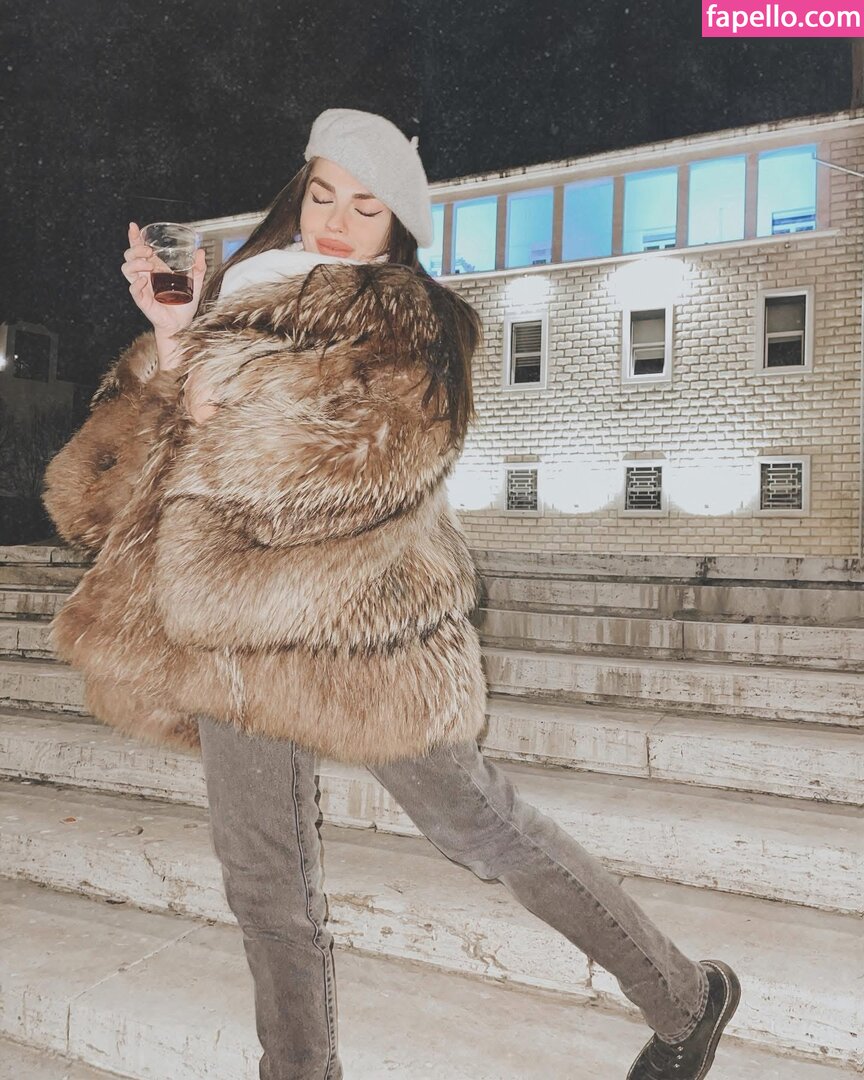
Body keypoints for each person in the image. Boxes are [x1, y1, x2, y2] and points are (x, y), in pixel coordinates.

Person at [41, 108, 740, 1080]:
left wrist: (224, 398)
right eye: (322, 194)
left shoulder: (414, 327)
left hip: (363, 632)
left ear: (397, 225)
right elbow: (99, 505)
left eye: (365, 207)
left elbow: (348, 481)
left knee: (479, 828)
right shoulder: (230, 311)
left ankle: (687, 998)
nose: (336, 222)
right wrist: (170, 348)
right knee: (262, 883)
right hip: (232, 642)